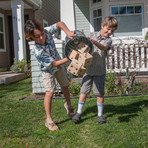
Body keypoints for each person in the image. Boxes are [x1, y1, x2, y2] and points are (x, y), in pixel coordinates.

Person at [24, 19, 76, 131]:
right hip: (48, 70)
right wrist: (69, 58)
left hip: (58, 63)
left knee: (65, 86)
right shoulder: (38, 51)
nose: (42, 38)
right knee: (50, 92)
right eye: (37, 37)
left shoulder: (46, 31)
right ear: (31, 38)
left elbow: (60, 24)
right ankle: (49, 120)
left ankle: (69, 107)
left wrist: (67, 32)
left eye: (42, 34)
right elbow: (54, 63)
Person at [72, 16, 118, 124]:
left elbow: (103, 47)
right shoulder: (92, 35)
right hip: (87, 70)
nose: (109, 32)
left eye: (112, 30)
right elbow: (82, 45)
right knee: (84, 92)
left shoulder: (109, 40)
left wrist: (94, 42)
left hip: (99, 71)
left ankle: (100, 115)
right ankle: (78, 113)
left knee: (99, 94)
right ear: (102, 26)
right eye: (108, 29)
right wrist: (81, 37)